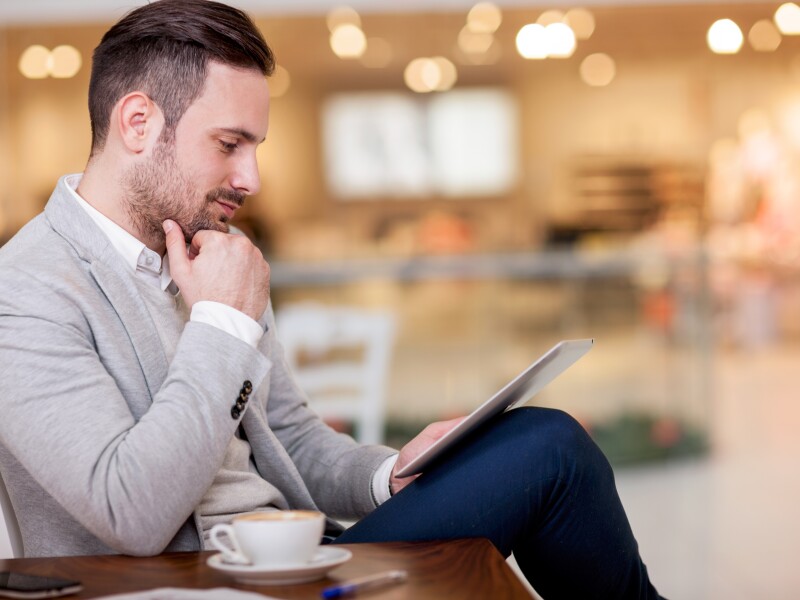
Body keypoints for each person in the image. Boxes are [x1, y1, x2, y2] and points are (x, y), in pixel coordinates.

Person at [0, 1, 663, 598]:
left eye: (254, 147)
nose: (251, 178)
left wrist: (389, 476)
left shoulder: (210, 254)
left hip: (299, 562)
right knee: (547, 448)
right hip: (195, 583)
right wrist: (224, 321)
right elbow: (131, 513)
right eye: (229, 144)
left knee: (533, 438)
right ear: (138, 122)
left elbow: (292, 439)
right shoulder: (26, 288)